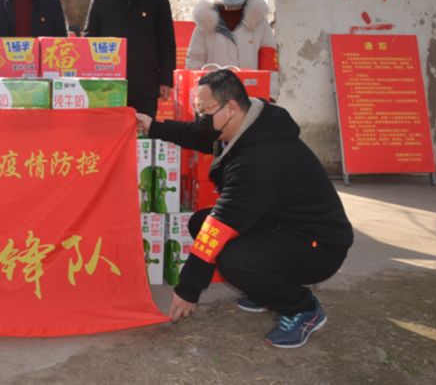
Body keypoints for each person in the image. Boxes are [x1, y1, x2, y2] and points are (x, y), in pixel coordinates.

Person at [136, 69, 353, 349]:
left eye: (205, 111)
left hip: (318, 246)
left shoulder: (259, 159)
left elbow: (221, 224)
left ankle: (302, 308)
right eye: (198, 110)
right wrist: (153, 127)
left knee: (234, 260)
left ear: (231, 107)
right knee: (200, 222)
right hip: (280, 224)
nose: (200, 118)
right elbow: (197, 134)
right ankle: (267, 290)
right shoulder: (247, 126)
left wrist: (188, 289)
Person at [82, 0, 176, 116]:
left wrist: (166, 80)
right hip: (107, 84)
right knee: (110, 129)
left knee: (143, 129)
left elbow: (166, 42)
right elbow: (89, 39)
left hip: (145, 84)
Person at [186, 0, 278, 97]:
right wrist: (197, 93)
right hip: (213, 95)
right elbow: (194, 60)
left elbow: (269, 62)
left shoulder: (259, 23)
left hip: (249, 93)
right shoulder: (205, 22)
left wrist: (270, 93)